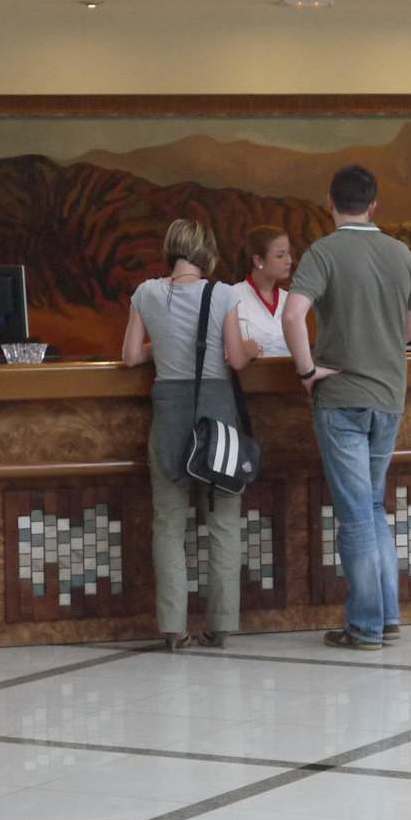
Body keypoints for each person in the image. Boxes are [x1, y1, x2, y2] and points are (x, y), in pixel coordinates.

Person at [281, 165, 411, 651]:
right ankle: (387, 617)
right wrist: (379, 343)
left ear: (330, 202)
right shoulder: (400, 253)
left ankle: (365, 626)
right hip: (389, 395)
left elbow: (293, 315)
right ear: (374, 204)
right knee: (373, 508)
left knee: (357, 515)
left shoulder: (323, 252)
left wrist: (306, 371)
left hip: (341, 396)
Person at [120, 218, 246, 651]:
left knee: (168, 523)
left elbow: (130, 355)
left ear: (169, 250)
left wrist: (163, 346)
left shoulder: (146, 293)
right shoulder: (224, 294)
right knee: (223, 522)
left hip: (170, 416)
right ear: (207, 252)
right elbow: (236, 359)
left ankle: (174, 628)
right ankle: (222, 625)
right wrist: (251, 348)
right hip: (218, 418)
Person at [225, 225, 292, 368]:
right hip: (247, 379)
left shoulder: (290, 300)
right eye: (280, 255)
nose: (289, 261)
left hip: (289, 379)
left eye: (288, 253)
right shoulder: (231, 296)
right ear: (258, 261)